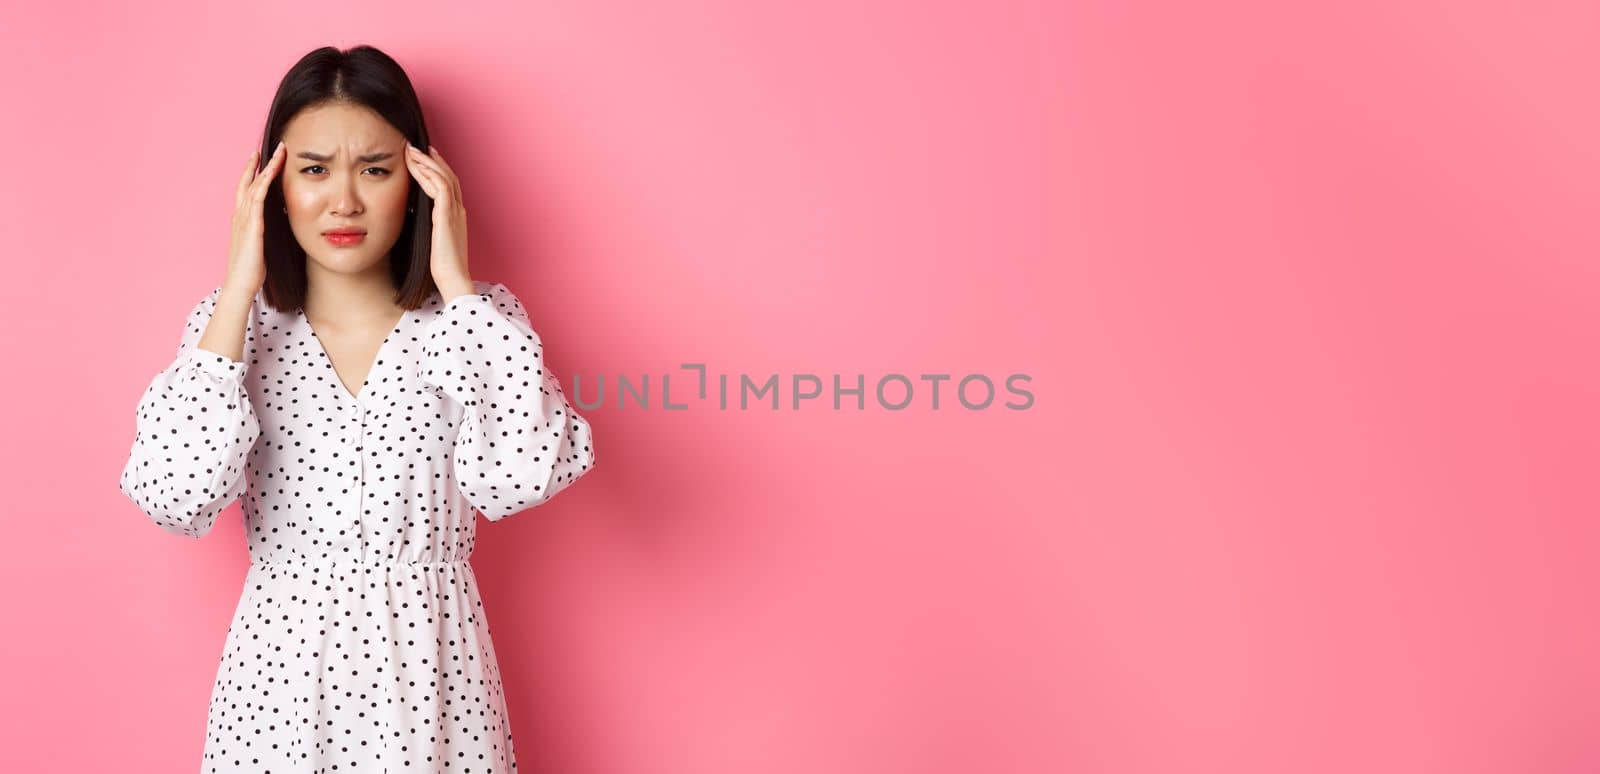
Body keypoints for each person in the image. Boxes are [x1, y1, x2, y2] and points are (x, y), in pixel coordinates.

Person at [117, 44, 597, 773]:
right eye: (313, 170)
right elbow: (174, 495)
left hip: (437, 689)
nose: (344, 201)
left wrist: (458, 283)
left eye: (375, 169)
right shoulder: (232, 333)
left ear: (418, 180)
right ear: (272, 185)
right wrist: (237, 287)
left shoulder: (473, 323)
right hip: (275, 697)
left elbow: (522, 475)